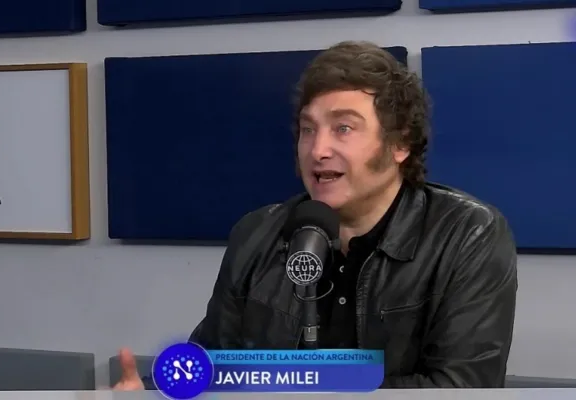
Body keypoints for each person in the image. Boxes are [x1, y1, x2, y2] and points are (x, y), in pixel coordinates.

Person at [113, 40, 518, 389]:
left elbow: (460, 388)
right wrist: (156, 393)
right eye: (308, 129)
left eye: (343, 128)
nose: (318, 149)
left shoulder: (468, 235)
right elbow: (214, 369)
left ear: (400, 144)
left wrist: (307, 386)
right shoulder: (258, 233)